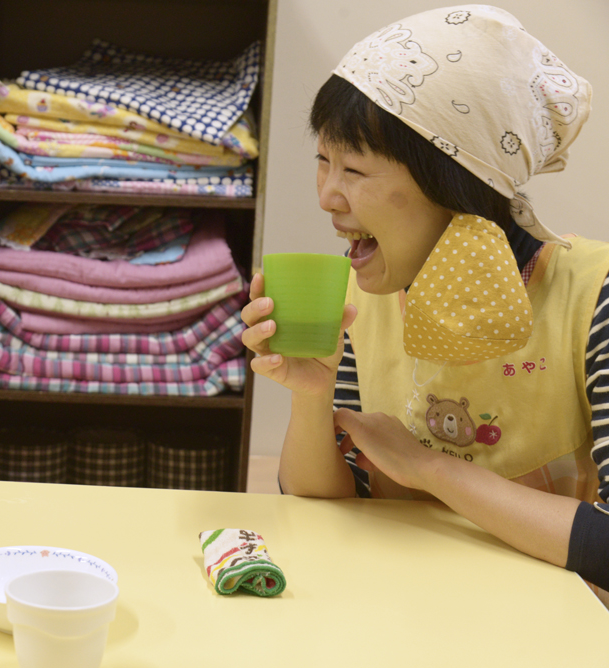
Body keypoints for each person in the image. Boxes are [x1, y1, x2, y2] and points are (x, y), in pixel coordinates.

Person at [241, 5, 609, 596]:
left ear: (458, 181)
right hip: (395, 615)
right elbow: (324, 505)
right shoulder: (367, 288)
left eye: (355, 168)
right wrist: (311, 398)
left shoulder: (595, 295)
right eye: (322, 160)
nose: (327, 196)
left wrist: (430, 468)